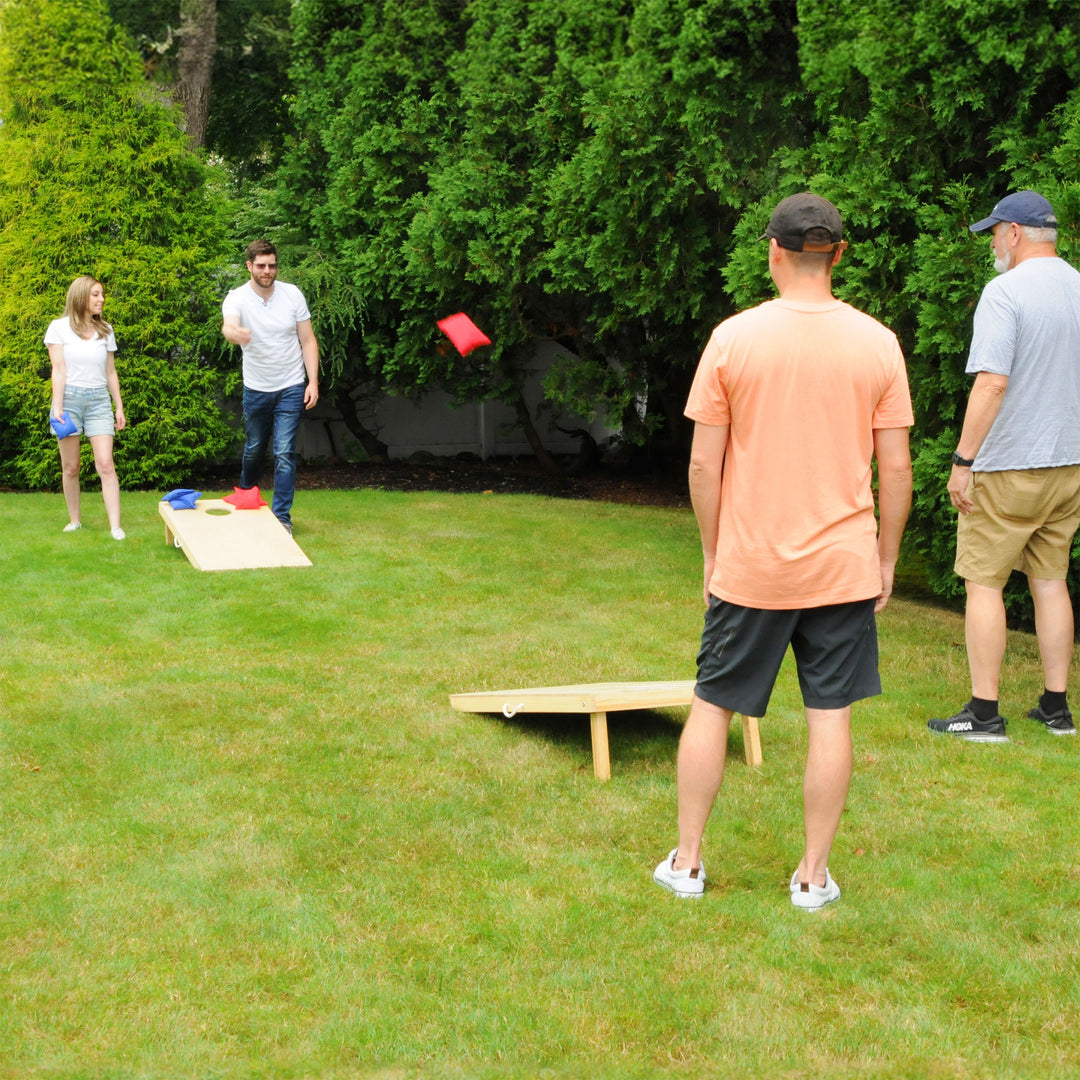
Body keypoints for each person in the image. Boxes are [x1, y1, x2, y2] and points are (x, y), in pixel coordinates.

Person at [652, 194, 913, 910]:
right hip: (842, 566)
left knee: (712, 706)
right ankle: (813, 876)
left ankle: (688, 863)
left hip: (752, 563)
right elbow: (895, 470)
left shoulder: (733, 339)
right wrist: (885, 558)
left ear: (773, 252)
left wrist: (713, 553)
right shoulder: (878, 342)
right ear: (839, 254)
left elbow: (704, 468)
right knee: (832, 717)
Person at [929, 190, 1080, 743]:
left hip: (1010, 466)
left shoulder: (1004, 292)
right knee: (1050, 581)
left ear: (1015, 233)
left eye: (994, 232)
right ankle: (1056, 709)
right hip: (1069, 465)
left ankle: (984, 715)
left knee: (982, 583)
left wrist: (963, 460)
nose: (992, 242)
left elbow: (992, 382)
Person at [221, 240, 320, 533]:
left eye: (272, 265)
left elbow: (308, 340)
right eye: (261, 266)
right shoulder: (236, 298)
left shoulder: (292, 295)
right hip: (256, 388)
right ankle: (246, 498)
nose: (268, 271)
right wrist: (233, 333)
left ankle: (282, 520)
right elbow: (228, 326)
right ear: (250, 266)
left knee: (285, 451)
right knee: (253, 449)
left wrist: (312, 381)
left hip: (291, 384)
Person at [45, 275, 127, 540]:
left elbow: (111, 372)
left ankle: (115, 526)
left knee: (106, 464)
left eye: (102, 294)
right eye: (95, 294)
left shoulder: (106, 330)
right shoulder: (58, 328)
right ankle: (75, 520)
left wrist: (119, 407)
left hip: (98, 402)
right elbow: (58, 369)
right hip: (67, 401)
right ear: (80, 296)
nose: (101, 299)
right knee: (71, 467)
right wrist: (58, 407)